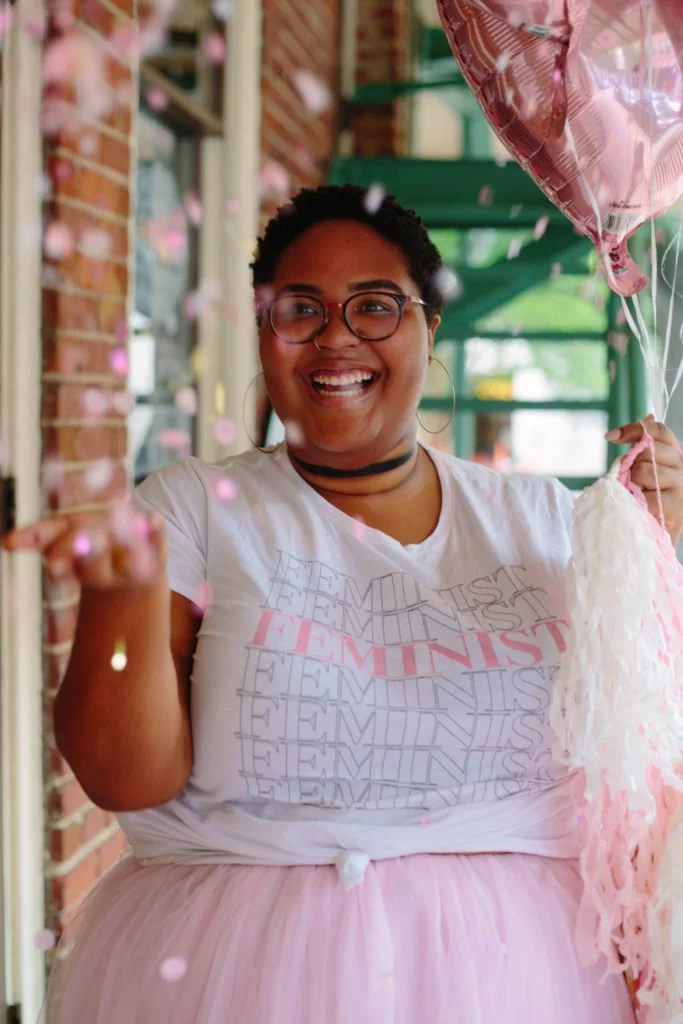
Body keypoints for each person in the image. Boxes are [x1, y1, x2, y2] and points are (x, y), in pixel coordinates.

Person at [4, 185, 683, 1024]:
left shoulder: (543, 519)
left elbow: (638, 765)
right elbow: (125, 778)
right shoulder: (194, 509)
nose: (334, 337)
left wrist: (651, 556)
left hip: (525, 981)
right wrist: (121, 598)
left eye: (374, 306)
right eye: (300, 309)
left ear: (429, 328)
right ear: (263, 333)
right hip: (242, 977)